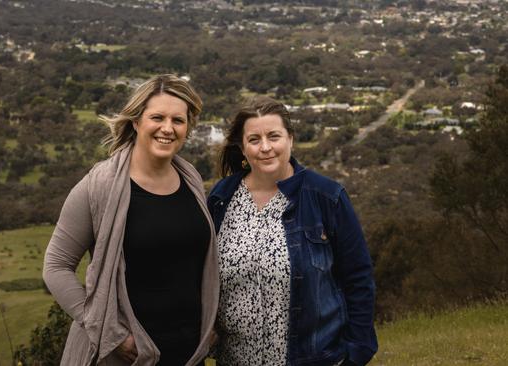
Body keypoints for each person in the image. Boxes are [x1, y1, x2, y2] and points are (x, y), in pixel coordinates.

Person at [43, 74, 218, 366]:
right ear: (136, 122)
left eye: (178, 120)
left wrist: (210, 325)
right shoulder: (99, 186)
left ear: (188, 128)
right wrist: (109, 332)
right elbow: (56, 266)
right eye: (157, 117)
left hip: (188, 352)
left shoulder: (192, 180)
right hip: (125, 354)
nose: (167, 128)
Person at [208, 96, 377, 366]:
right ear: (242, 148)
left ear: (290, 139)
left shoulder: (326, 197)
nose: (265, 147)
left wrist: (356, 354)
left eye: (274, 136)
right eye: (254, 139)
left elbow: (358, 278)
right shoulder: (221, 198)